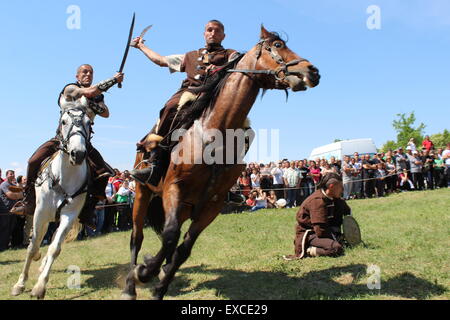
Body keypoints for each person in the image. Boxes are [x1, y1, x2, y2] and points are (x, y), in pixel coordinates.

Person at [11, 65, 124, 230]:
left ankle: (87, 210)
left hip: (84, 140)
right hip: (61, 139)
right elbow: (89, 93)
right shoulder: (70, 88)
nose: (88, 74)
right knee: (33, 161)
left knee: (104, 172)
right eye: (84, 72)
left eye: (91, 72)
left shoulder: (97, 96)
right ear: (77, 75)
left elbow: (106, 113)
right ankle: (29, 201)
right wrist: (114, 80)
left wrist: (94, 104)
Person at [130, 20, 239, 186]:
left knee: (242, 128)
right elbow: (160, 60)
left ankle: (228, 183)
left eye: (217, 31)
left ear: (223, 36)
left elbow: (243, 64)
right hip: (189, 93)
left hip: (216, 96)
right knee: (171, 106)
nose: (212, 33)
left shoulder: (231, 54)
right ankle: (155, 163)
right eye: (209, 30)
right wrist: (141, 47)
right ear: (204, 33)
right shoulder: (189, 56)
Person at [292, 173, 351, 258]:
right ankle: (309, 249)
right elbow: (320, 230)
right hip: (311, 234)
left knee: (344, 245)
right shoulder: (317, 201)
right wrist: (335, 240)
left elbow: (347, 213)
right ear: (331, 186)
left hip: (326, 231)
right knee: (336, 248)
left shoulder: (335, 198)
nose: (342, 189)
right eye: (340, 187)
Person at [0, 170, 23, 251]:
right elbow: (10, 195)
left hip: (13, 210)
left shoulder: (13, 185)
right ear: (6, 175)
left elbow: (21, 194)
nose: (12, 175)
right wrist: (18, 195)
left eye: (13, 174)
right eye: (10, 174)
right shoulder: (4, 184)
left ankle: (7, 246)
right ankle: (2, 247)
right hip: (5, 210)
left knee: (11, 229)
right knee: (4, 229)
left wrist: (17, 195)